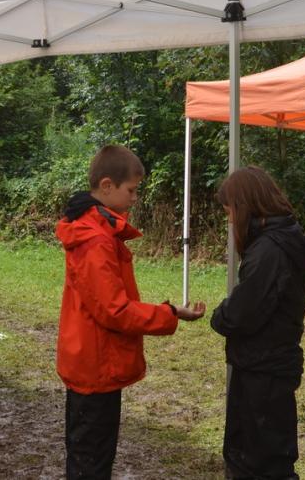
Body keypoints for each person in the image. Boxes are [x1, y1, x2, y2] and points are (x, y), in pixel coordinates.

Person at [55, 144, 206, 479]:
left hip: (92, 360)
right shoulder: (96, 240)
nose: (135, 198)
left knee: (90, 455)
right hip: (96, 364)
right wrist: (170, 315)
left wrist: (170, 312)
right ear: (107, 186)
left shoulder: (98, 231)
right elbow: (115, 311)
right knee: (90, 460)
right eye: (132, 190)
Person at [210, 166, 305, 480]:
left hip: (264, 366)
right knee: (267, 456)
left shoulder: (270, 249)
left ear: (246, 206)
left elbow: (245, 310)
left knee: (258, 461)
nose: (230, 219)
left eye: (230, 211)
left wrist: (220, 316)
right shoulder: (285, 241)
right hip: (271, 362)